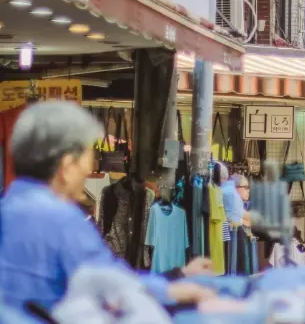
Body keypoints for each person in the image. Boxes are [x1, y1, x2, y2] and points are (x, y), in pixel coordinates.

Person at [0, 101, 215, 310]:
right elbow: (113, 286)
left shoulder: (7, 208)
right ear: (66, 167)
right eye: (86, 159)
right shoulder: (62, 221)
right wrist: (174, 284)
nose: (89, 170)